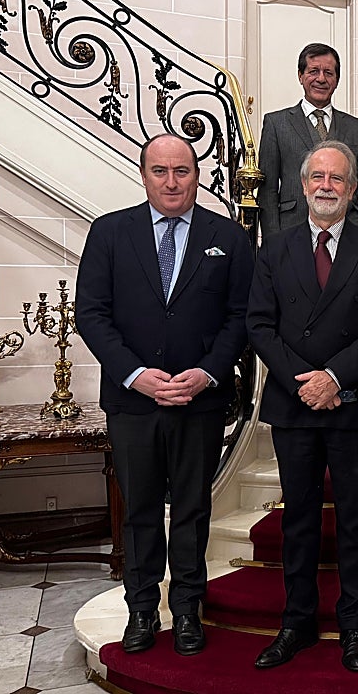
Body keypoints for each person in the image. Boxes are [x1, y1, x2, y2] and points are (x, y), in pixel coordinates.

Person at [75, 134, 253, 657]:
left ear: (198, 174)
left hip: (198, 400)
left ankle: (189, 610)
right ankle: (142, 609)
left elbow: (240, 317)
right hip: (133, 402)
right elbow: (92, 313)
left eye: (182, 171)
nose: (172, 182)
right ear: (144, 174)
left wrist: (206, 373)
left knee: (195, 508)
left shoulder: (229, 237)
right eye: (160, 171)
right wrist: (134, 373)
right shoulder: (109, 233)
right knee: (142, 511)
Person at [247, 140, 358, 674]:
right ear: (302, 185)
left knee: (356, 519)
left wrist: (335, 376)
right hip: (294, 404)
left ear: (353, 189)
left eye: (337, 178)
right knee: (299, 520)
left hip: (353, 402)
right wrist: (302, 381)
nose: (326, 185)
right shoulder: (274, 249)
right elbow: (259, 323)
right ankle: (297, 621)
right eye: (318, 177)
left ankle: (354, 626)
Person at [258, 42, 358, 238]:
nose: (321, 78)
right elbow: (267, 189)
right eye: (313, 71)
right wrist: (273, 239)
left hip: (347, 233)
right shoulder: (276, 123)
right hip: (291, 230)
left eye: (328, 73)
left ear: (337, 79)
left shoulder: (355, 128)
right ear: (300, 76)